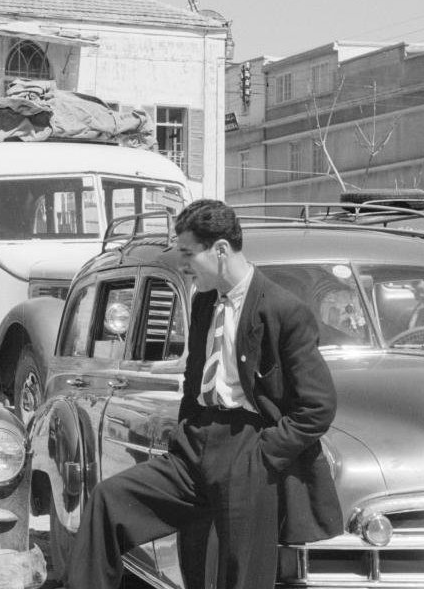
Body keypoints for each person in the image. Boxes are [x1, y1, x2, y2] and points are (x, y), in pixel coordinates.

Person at [64, 199, 342, 589]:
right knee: (109, 502)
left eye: (188, 253)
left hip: (250, 450)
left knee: (240, 576)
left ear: (221, 250)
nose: (183, 263)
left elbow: (318, 406)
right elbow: (197, 382)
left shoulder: (283, 310)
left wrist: (264, 455)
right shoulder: (204, 301)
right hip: (195, 446)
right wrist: (185, 434)